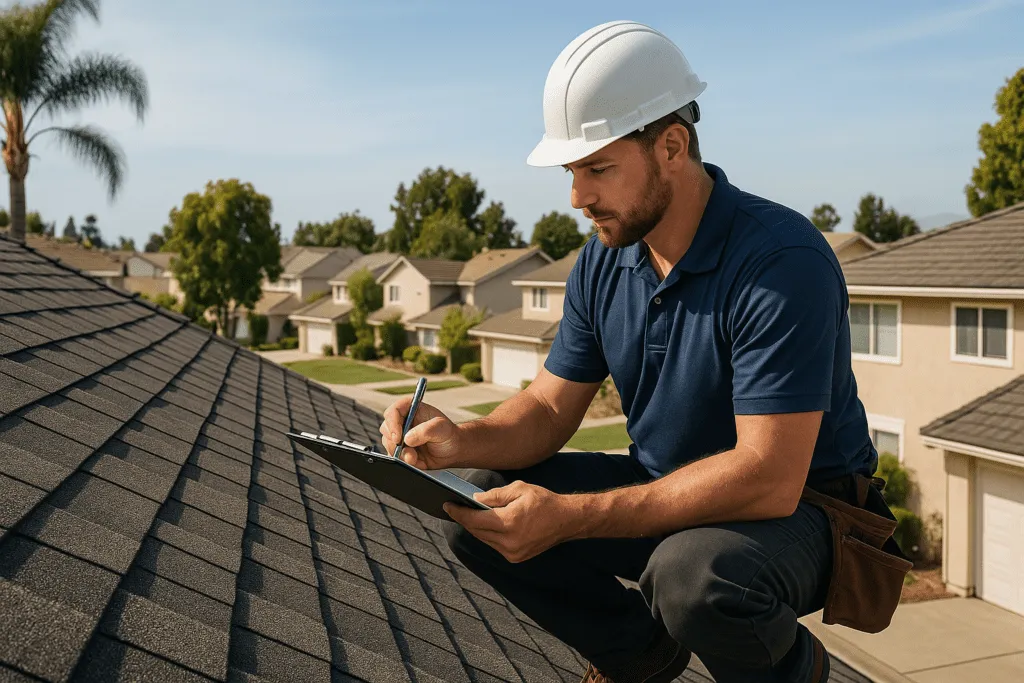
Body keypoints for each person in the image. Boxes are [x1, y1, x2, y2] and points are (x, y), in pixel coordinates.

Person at [380, 20, 891, 683]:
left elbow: (768, 475)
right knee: (478, 505)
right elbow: (547, 408)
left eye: (597, 169)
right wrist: (459, 442)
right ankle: (637, 655)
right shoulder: (604, 262)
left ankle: (795, 670)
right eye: (572, 171)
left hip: (804, 511)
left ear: (671, 146)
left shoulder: (779, 261)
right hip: (666, 489)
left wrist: (568, 517)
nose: (577, 198)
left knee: (692, 576)